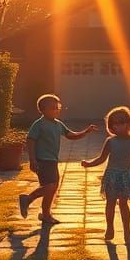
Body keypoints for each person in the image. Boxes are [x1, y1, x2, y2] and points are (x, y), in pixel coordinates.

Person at [81, 106, 130, 244]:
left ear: (128, 124)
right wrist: (88, 163)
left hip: (126, 176)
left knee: (123, 204)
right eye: (114, 124)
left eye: (121, 123)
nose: (117, 126)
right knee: (110, 203)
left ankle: (127, 231)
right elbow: (101, 158)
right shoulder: (110, 141)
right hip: (112, 176)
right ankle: (110, 227)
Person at [18, 94, 97, 224]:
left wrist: (85, 132)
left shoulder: (58, 124)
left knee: (52, 188)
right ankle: (27, 199)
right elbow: (30, 140)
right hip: (42, 160)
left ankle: (45, 215)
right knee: (50, 186)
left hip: (52, 160)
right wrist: (32, 159)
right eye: (52, 108)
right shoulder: (39, 124)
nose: (56, 110)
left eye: (57, 107)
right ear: (42, 110)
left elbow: (71, 135)